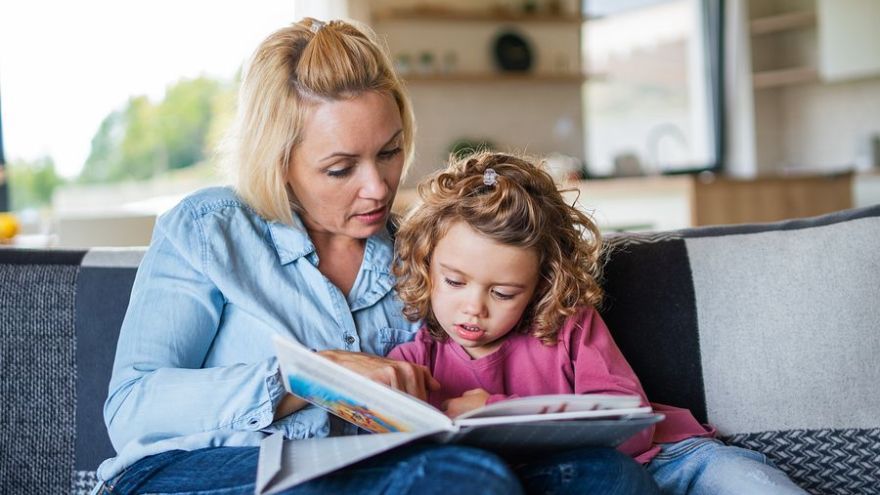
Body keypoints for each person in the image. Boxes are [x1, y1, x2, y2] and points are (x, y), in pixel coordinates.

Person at [95, 18, 657, 495]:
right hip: (193, 470)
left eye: (389, 153)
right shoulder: (209, 231)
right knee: (456, 477)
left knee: (606, 475)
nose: (378, 188)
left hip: (377, 472)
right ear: (278, 159)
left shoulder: (423, 255)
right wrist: (308, 378)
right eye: (341, 168)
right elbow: (132, 410)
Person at [388, 151, 808, 495]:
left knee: (747, 481)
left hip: (666, 460)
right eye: (455, 281)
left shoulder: (566, 324)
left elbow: (629, 431)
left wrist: (491, 412)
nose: (473, 308)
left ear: (540, 284)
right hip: (562, 480)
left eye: (503, 293)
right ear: (426, 263)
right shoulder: (413, 360)